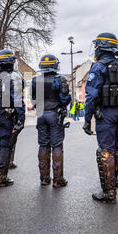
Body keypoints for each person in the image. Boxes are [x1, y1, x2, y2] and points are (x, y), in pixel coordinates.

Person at [83, 32, 118, 203]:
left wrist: (87, 119)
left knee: (106, 151)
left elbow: (91, 96)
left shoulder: (99, 67)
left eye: (96, 46)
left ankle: (109, 193)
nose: (95, 49)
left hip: (106, 114)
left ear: (101, 47)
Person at [0, 49, 25, 187]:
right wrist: (21, 119)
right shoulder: (13, 76)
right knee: (5, 146)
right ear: (10, 62)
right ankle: (1, 177)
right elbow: (18, 100)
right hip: (5, 116)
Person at [31, 54, 71, 187]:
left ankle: (44, 178)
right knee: (57, 146)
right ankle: (58, 180)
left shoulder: (35, 80)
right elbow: (65, 99)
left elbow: (34, 99)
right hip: (55, 115)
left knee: (43, 145)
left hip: (41, 115)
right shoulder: (60, 79)